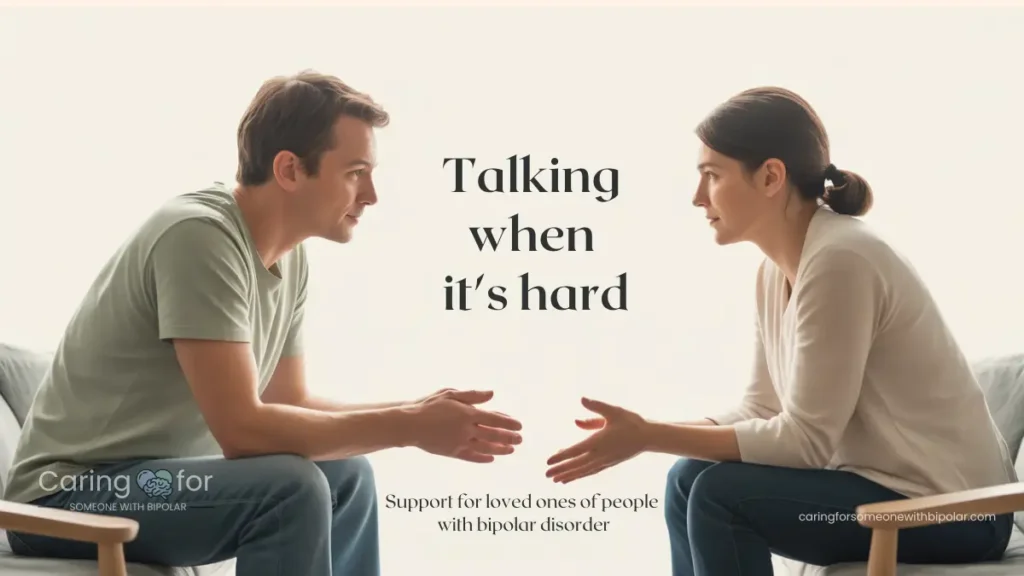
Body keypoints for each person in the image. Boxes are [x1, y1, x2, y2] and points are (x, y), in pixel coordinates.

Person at [3, 70, 523, 576]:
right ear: (290, 170)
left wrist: (415, 410)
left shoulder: (287, 256)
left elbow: (285, 403)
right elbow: (243, 430)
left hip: (154, 483)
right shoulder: (197, 236)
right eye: (354, 173)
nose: (371, 196)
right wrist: (408, 428)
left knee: (346, 475)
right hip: (71, 496)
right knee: (288, 488)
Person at [545, 87, 1018, 575]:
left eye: (712, 175)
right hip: (885, 496)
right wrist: (642, 432)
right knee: (687, 478)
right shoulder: (778, 270)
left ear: (771, 176)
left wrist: (649, 436)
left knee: (721, 496)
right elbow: (762, 410)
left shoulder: (842, 260)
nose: (696, 197)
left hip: (958, 514)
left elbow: (805, 443)